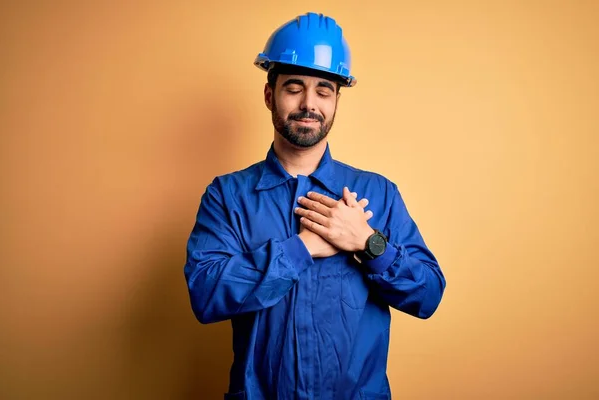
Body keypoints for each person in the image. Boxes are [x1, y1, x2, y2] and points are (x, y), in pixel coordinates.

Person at [184, 12, 446, 400]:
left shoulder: (378, 192)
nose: (309, 103)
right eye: (294, 87)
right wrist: (302, 248)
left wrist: (369, 243)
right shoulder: (227, 196)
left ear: (336, 100)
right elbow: (206, 296)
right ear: (270, 95)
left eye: (323, 89)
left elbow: (428, 296)